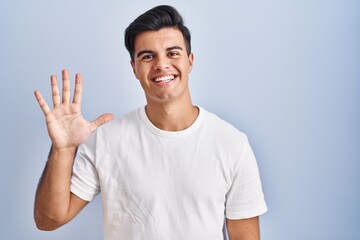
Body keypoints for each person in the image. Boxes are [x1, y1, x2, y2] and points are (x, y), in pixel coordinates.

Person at [34, 5, 267, 240]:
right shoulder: (106, 140)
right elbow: (48, 220)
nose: (161, 64)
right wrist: (63, 149)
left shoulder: (231, 144)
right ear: (134, 68)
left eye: (173, 53)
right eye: (147, 56)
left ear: (190, 61)